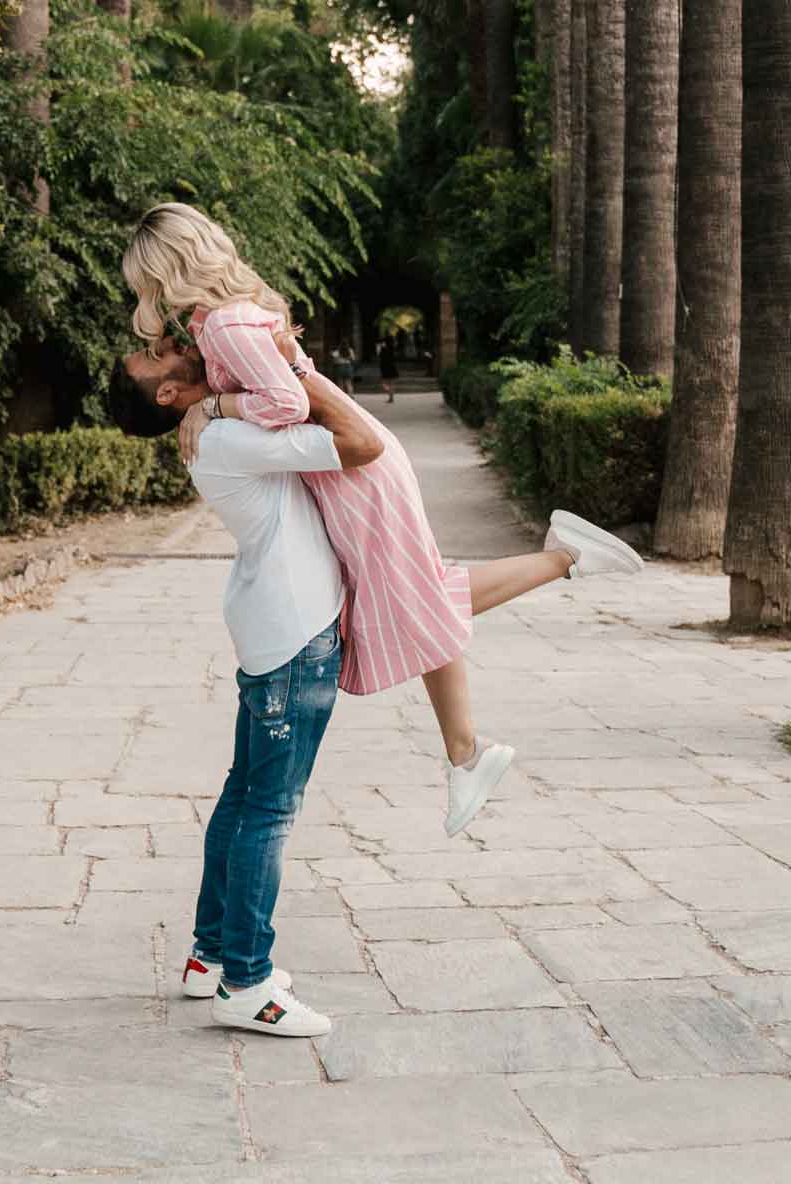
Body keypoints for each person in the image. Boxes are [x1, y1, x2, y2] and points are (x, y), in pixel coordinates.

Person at [122, 203, 643, 840]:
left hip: (355, 469)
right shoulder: (219, 323)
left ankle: (485, 717)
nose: (144, 301)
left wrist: (218, 405)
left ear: (163, 270)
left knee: (414, 597)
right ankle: (474, 738)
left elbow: (285, 402)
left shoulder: (225, 325)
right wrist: (208, 406)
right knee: (413, 596)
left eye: (142, 280)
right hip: (346, 467)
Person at [108, 339, 385, 1039]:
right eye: (148, 358)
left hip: (274, 625)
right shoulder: (227, 436)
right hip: (294, 633)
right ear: (167, 395)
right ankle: (248, 984)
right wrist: (293, 367)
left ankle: (211, 956)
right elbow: (362, 440)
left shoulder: (221, 429)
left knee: (243, 796)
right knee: (269, 809)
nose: (161, 346)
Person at [379, 334, 398, 403]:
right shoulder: (392, 348)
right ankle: (391, 397)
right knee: (391, 383)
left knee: (384, 383)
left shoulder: (383, 349)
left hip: (385, 368)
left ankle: (390, 395)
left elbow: (381, 358)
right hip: (392, 367)